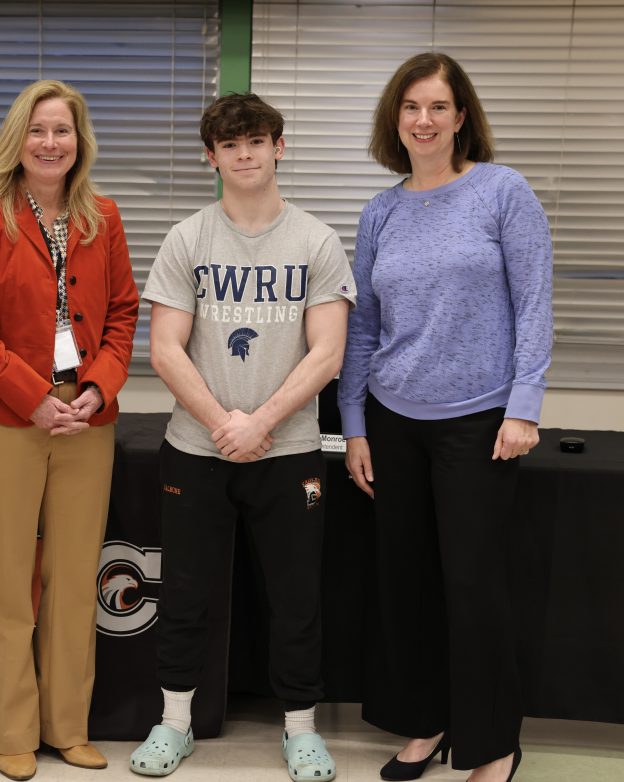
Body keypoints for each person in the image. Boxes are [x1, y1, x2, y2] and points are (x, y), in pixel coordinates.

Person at [338, 53, 553, 782]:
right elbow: (364, 326)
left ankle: (492, 744)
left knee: (473, 588)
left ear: (462, 116)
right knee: (406, 584)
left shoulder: (502, 191)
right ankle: (424, 723)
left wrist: (524, 408)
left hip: (479, 421)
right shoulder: (381, 211)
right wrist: (355, 423)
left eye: (437, 106)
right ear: (394, 119)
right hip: (393, 419)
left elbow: (534, 302)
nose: (423, 120)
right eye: (411, 107)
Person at [130, 93, 355, 780]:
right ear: (212, 157)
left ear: (279, 147)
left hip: (288, 452)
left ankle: (301, 730)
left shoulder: (316, 241)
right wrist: (223, 423)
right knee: (185, 592)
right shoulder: (187, 240)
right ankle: (174, 723)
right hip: (196, 450)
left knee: (296, 598)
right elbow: (165, 348)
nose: (245, 155)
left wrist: (260, 422)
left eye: (257, 141)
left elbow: (328, 353)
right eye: (230, 145)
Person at [0, 79, 138, 781]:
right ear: (16, 140)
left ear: (79, 142)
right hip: (6, 415)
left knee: (73, 577)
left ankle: (66, 726)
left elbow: (123, 313)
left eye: (62, 130)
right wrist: (32, 398)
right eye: (37, 130)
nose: (51, 143)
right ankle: (11, 729)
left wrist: (98, 388)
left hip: (85, 417)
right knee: (8, 579)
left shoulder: (102, 216)